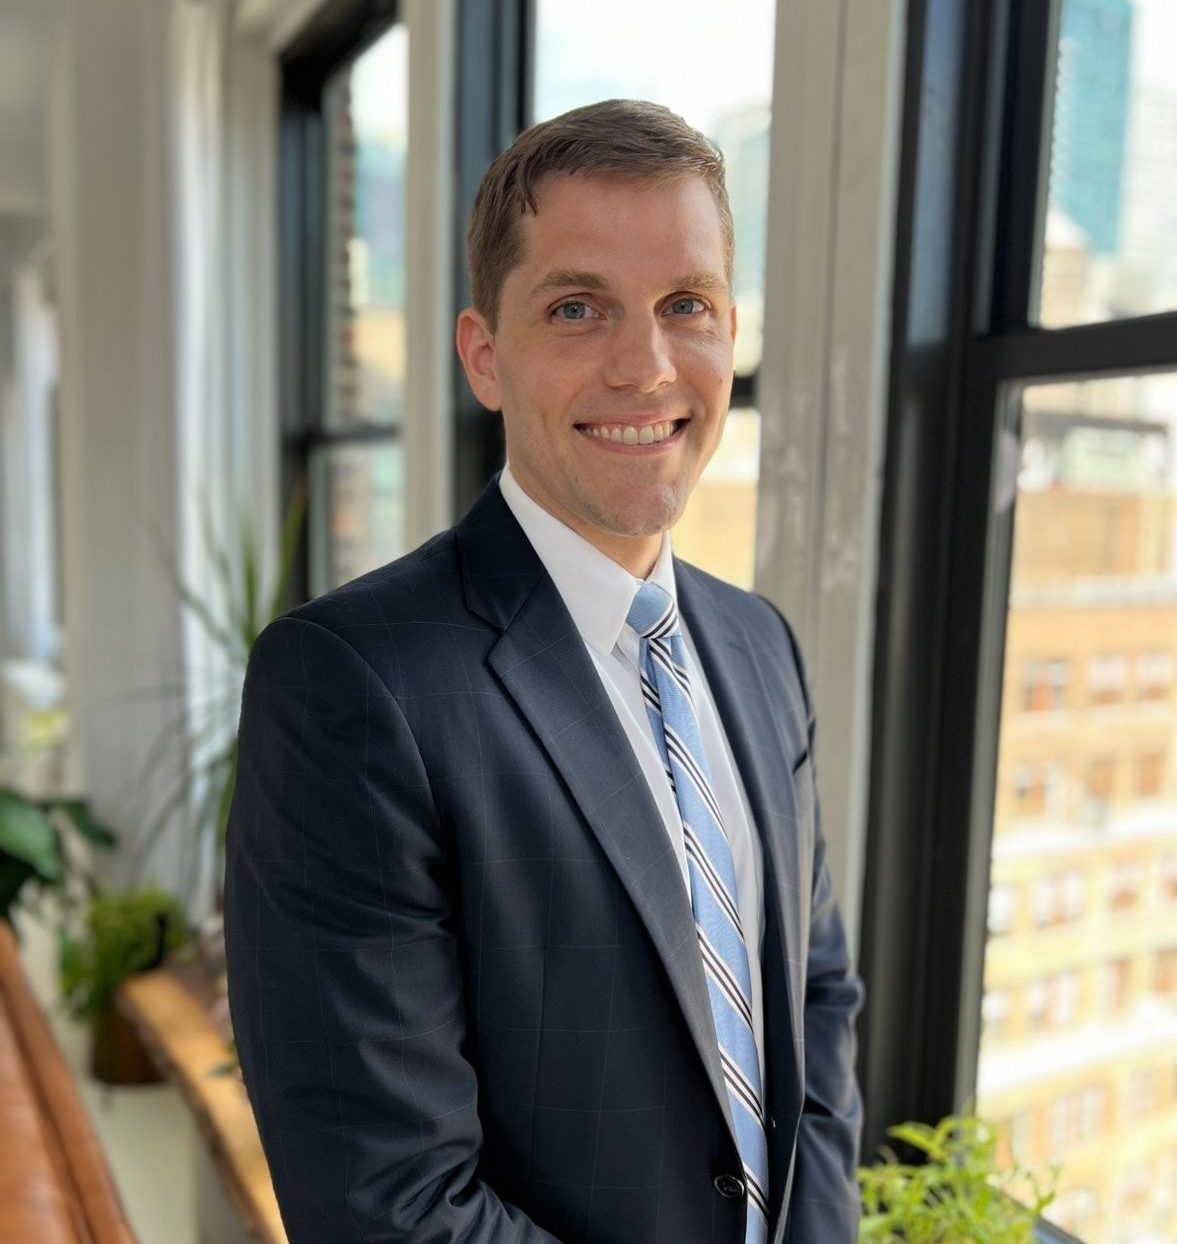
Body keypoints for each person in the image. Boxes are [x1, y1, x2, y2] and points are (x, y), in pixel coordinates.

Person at [224, 98, 863, 1244]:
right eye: (578, 308)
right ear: (484, 355)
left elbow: (814, 1006)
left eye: (687, 305)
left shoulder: (762, 647)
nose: (645, 364)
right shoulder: (351, 687)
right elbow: (387, 1204)